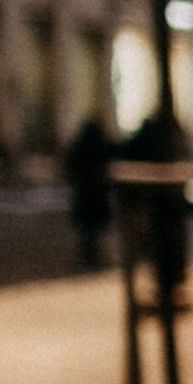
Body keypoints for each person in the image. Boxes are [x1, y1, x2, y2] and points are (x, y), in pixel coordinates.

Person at [65, 112, 113, 272]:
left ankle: (88, 254)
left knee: (87, 229)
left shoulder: (79, 145)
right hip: (95, 194)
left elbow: (70, 167)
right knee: (92, 229)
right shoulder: (100, 145)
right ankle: (92, 255)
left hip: (84, 194)